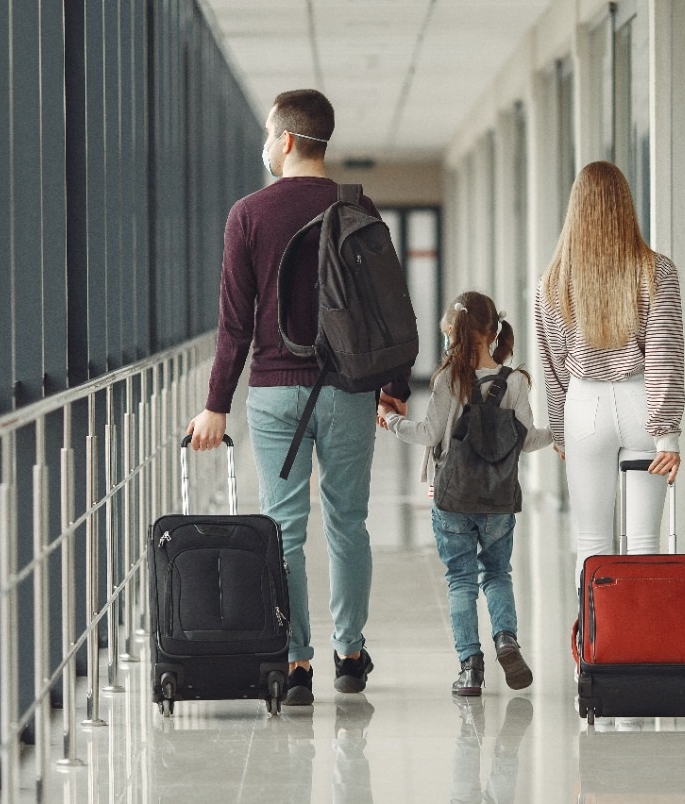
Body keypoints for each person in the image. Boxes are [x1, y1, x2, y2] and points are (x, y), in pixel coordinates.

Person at [187, 88, 409, 707]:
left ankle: (295, 662)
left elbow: (234, 324)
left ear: (284, 140)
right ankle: (350, 653)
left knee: (284, 530)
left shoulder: (248, 214)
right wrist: (392, 385)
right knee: (348, 524)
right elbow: (385, 304)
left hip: (275, 392)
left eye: (267, 132)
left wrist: (216, 404)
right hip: (348, 391)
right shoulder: (357, 204)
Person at [377, 292, 552, 695]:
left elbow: (427, 434)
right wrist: (560, 436)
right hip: (499, 502)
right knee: (497, 573)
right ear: (493, 332)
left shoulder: (447, 380)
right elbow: (526, 441)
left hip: (452, 498)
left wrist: (390, 419)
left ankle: (470, 667)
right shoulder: (516, 382)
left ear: (453, 335)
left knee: (460, 580)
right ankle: (506, 638)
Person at [535, 160, 685, 584]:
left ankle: (596, 646)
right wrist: (666, 434)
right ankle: (643, 643)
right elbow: (663, 355)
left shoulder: (553, 280)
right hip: (643, 406)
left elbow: (553, 365)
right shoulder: (657, 271)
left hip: (584, 408)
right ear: (626, 205)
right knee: (644, 543)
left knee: (592, 541)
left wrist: (561, 434)